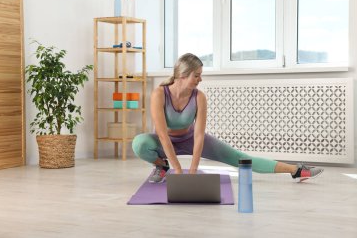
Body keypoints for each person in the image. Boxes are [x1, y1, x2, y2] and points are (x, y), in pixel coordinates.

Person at [132, 53, 324, 183]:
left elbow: (199, 136)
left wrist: (192, 170)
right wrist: (177, 169)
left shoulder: (199, 97)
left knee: (241, 159)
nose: (200, 80)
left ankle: (296, 170)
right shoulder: (159, 94)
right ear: (182, 75)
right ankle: (161, 166)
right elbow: (163, 136)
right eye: (196, 76)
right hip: (165, 141)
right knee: (139, 143)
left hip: (190, 139)